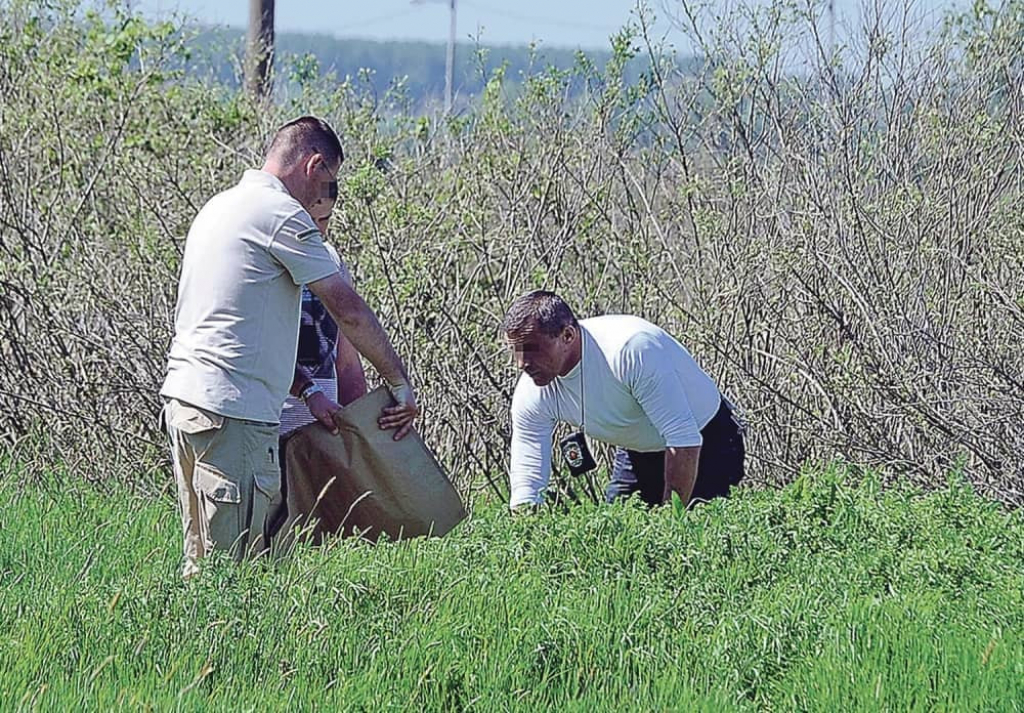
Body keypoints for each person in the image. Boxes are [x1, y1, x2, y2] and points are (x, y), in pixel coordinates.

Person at [160, 116, 417, 579]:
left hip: (190, 404)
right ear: (314, 164)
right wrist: (398, 381)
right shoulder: (279, 214)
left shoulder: (221, 206)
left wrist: (304, 393)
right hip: (233, 416)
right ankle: (233, 655)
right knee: (240, 572)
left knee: (202, 568)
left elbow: (238, 332)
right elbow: (347, 310)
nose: (325, 195)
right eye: (329, 180)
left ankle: (193, 649)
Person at [504, 291, 744, 511]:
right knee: (616, 534)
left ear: (567, 335)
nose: (521, 363)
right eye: (515, 350)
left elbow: (683, 439)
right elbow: (527, 478)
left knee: (693, 539)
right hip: (637, 451)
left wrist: (672, 526)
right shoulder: (532, 390)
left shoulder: (631, 350)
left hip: (707, 443)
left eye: (532, 348)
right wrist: (524, 533)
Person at [265, 202, 367, 546]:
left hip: (323, 430)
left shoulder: (332, 263)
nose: (319, 229)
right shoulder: (267, 257)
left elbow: (347, 359)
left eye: (325, 220)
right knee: (269, 540)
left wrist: (361, 428)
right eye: (312, 219)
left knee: (321, 543)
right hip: (270, 427)